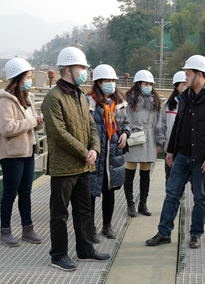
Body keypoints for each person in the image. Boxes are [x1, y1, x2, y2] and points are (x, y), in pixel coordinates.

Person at [41, 46, 110, 271]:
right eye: (81, 68)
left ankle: (85, 249)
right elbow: (59, 133)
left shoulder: (80, 95)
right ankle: (58, 255)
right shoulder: (53, 98)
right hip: (64, 167)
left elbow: (91, 126)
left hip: (83, 165)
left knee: (84, 210)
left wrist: (95, 149)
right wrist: (85, 152)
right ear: (68, 69)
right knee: (60, 213)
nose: (85, 72)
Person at [146, 55, 205, 249]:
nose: (185, 78)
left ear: (200, 74)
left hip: (202, 158)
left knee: (200, 197)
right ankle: (164, 233)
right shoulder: (187, 96)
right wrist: (171, 151)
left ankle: (196, 234)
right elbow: (178, 125)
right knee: (172, 193)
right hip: (181, 155)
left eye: (188, 74)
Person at [0, 57, 44, 247]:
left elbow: (28, 124)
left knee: (26, 193)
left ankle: (27, 229)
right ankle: (5, 231)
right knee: (10, 194)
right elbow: (7, 128)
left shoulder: (27, 98)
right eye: (27, 77)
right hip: (12, 155)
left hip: (27, 151)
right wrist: (31, 121)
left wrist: (37, 122)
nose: (30, 80)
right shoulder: (5, 101)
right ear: (18, 78)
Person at [87, 64, 130, 239]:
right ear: (98, 82)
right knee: (90, 193)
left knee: (109, 192)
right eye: (107, 80)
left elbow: (126, 123)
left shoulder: (118, 103)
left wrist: (125, 134)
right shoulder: (89, 102)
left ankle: (107, 225)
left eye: (113, 80)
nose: (111, 84)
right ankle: (90, 228)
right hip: (95, 155)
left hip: (112, 156)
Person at [123, 69, 165, 218]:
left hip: (150, 139)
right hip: (134, 136)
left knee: (145, 174)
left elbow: (159, 122)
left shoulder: (155, 101)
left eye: (150, 84)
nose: (148, 86)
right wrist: (128, 132)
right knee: (129, 173)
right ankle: (130, 204)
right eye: (145, 83)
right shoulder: (129, 100)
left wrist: (159, 142)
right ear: (138, 83)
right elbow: (125, 118)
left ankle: (143, 204)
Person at [161, 70, 188, 181]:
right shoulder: (168, 104)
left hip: (187, 148)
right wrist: (161, 144)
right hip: (170, 148)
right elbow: (162, 125)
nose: (186, 86)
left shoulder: (192, 103)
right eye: (183, 84)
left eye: (187, 83)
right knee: (171, 178)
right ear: (176, 86)